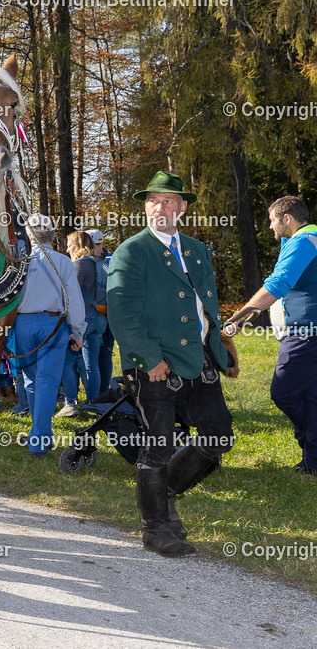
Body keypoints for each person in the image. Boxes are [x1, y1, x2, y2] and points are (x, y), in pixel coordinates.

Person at [108, 171, 234, 557]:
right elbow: (122, 311)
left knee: (218, 434)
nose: (159, 207)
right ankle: (155, 527)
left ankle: (166, 493)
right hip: (155, 364)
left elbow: (205, 304)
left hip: (199, 358)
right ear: (146, 207)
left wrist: (220, 343)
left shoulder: (198, 250)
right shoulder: (132, 251)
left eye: (168, 201)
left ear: (181, 207)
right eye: (152, 201)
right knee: (159, 445)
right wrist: (149, 360)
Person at [226, 196, 317, 475]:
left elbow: (278, 284)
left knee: (283, 392)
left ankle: (311, 443)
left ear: (286, 219)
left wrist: (238, 317)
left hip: (305, 334)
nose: (269, 227)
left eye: (271, 220)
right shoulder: (303, 239)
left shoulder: (303, 241)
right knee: (311, 396)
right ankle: (312, 460)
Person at [13, 214, 86, 458]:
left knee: (32, 381)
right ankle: (39, 439)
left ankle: (39, 433)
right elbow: (74, 299)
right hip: (52, 324)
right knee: (46, 382)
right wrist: (78, 331)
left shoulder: (19, 260)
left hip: (21, 323)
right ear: (52, 236)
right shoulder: (63, 261)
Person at [58, 231, 102, 416]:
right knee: (90, 363)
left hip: (80, 318)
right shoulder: (97, 263)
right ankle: (93, 402)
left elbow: (71, 295)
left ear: (76, 246)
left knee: (68, 362)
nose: (67, 249)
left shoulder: (78, 265)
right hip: (96, 317)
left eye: (69, 245)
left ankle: (71, 403)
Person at [87, 228, 115, 397]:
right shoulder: (84, 260)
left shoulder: (112, 260)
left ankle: (104, 390)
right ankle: (91, 393)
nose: (94, 248)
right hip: (90, 313)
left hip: (109, 313)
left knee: (105, 353)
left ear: (102, 243)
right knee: (89, 356)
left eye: (97, 244)